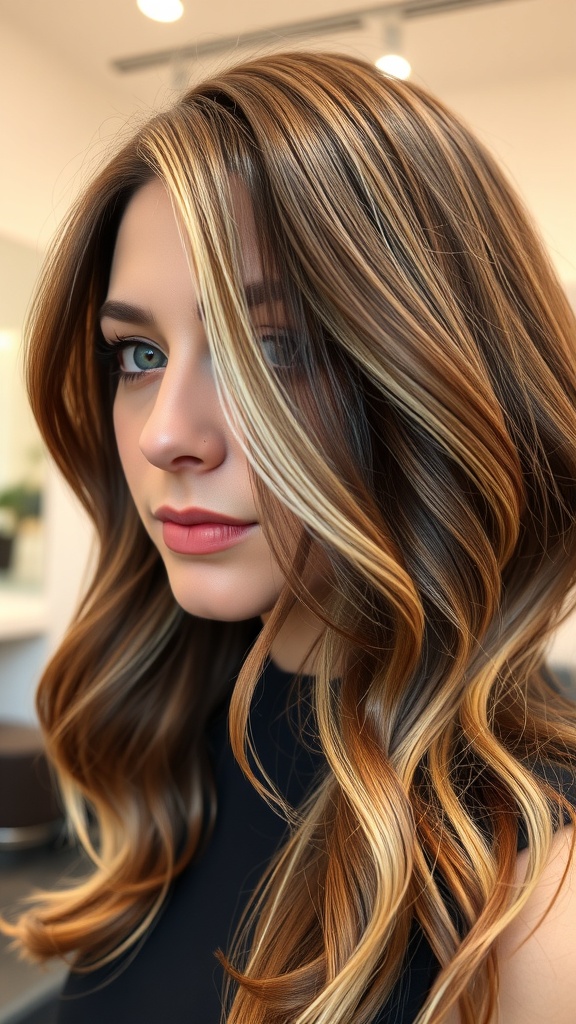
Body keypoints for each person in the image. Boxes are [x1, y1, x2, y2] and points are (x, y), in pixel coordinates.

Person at [3, 49, 576, 1024]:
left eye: (279, 349)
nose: (164, 433)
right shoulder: (198, 701)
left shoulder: (531, 910)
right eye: (139, 353)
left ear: (440, 378)